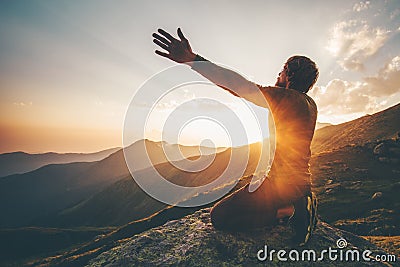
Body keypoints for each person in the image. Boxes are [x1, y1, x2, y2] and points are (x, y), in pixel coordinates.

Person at [152, 28, 319, 246]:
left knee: (220, 217)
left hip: (281, 186)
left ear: (289, 74)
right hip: (298, 184)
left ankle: (291, 211)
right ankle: (297, 204)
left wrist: (193, 60)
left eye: (281, 71)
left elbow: (238, 86)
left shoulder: (286, 98)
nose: (277, 76)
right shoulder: (309, 104)